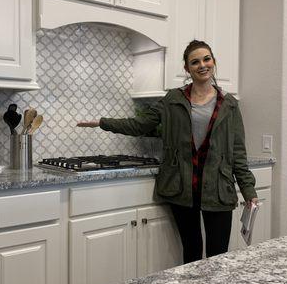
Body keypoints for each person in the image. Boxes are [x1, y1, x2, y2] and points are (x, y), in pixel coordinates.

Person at [77, 40, 258, 264]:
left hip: (219, 189)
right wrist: (102, 122)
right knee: (191, 251)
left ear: (213, 62)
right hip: (181, 187)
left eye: (206, 59)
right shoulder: (173, 99)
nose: (202, 65)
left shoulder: (229, 104)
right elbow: (140, 125)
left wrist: (249, 192)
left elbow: (237, 152)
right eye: (195, 62)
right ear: (187, 68)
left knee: (218, 257)